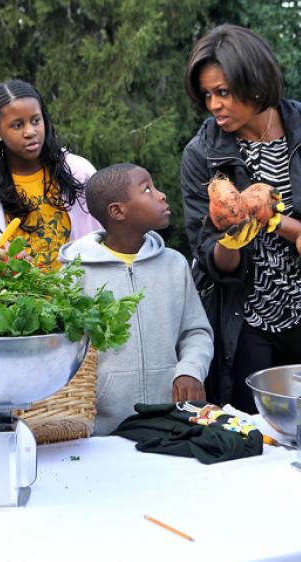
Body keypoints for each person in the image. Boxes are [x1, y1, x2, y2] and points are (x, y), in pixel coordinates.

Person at [180, 24, 301, 412]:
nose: (214, 105)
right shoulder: (201, 154)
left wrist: (273, 220)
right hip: (244, 319)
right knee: (249, 429)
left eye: (223, 92)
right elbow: (208, 257)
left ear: (255, 82)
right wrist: (231, 237)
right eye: (207, 95)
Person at [59, 163, 214, 434]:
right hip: (101, 432)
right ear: (117, 211)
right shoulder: (75, 273)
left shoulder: (174, 264)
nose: (161, 195)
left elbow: (196, 332)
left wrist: (190, 370)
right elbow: (64, 349)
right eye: (147, 190)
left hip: (170, 423)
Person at [0, 79, 100, 268]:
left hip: (84, 285)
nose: (30, 132)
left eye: (35, 121)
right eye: (17, 125)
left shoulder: (79, 172)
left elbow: (105, 239)